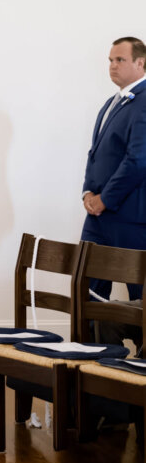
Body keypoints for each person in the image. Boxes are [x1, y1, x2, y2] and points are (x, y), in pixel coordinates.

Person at [81, 36, 146, 300]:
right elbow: (94, 153)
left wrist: (105, 199)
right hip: (97, 216)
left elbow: (138, 159)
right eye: (110, 60)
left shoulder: (143, 102)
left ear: (140, 63)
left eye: (120, 60)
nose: (113, 66)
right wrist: (87, 193)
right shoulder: (111, 103)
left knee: (139, 293)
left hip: (129, 215)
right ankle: (89, 341)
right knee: (87, 291)